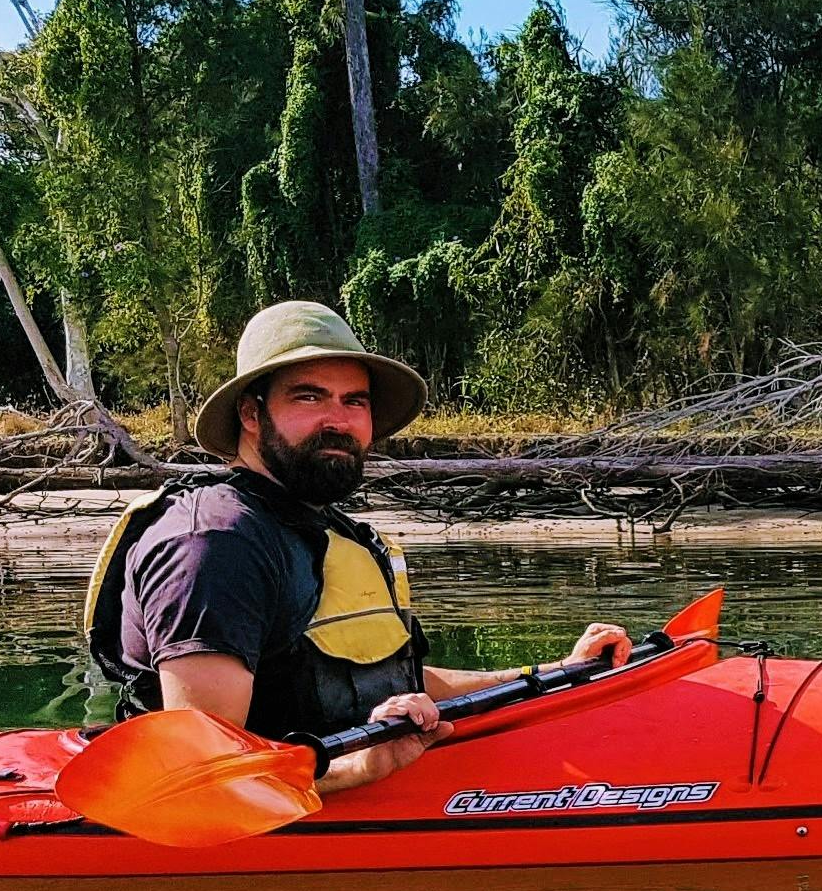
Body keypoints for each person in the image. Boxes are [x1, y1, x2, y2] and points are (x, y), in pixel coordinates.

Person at [84, 301, 631, 792]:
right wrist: (361, 768)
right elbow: (203, 774)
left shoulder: (331, 528)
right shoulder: (214, 545)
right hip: (256, 809)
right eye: (310, 397)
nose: (338, 421)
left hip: (337, 776)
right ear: (251, 415)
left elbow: (390, 681)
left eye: (355, 401)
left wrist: (556, 671)